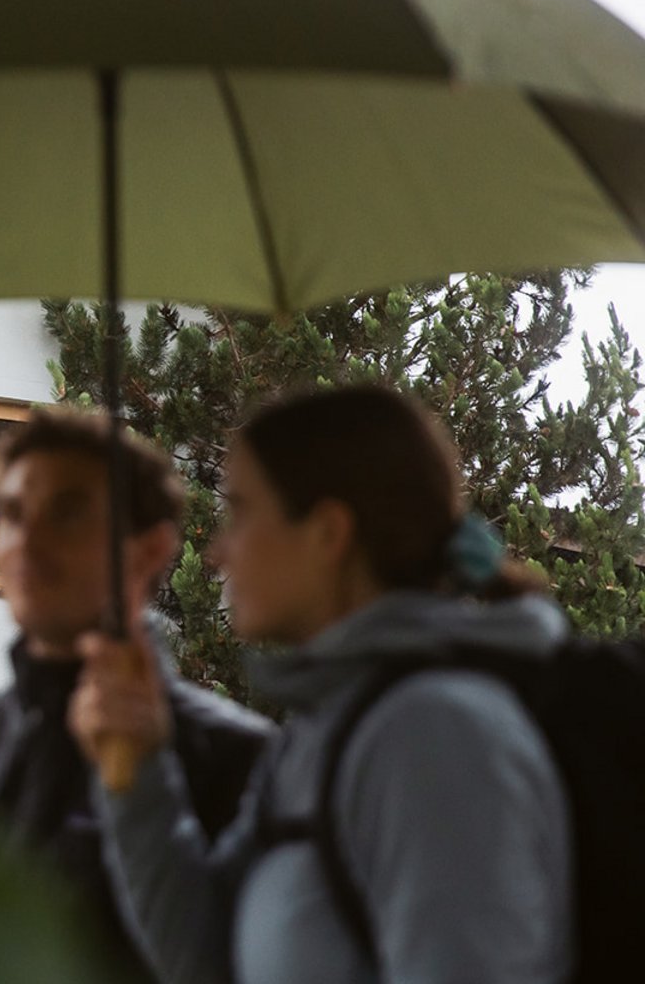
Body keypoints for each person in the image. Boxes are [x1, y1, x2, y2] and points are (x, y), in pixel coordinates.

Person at [70, 385, 572, 984]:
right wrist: (140, 768)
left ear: (328, 532)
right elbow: (207, 957)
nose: (217, 552)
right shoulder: (327, 727)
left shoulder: (434, 735)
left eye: (241, 511)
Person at [0, 409, 271, 981]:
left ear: (149, 551)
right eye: (12, 514)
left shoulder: (238, 764)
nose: (30, 539)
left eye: (69, 512)